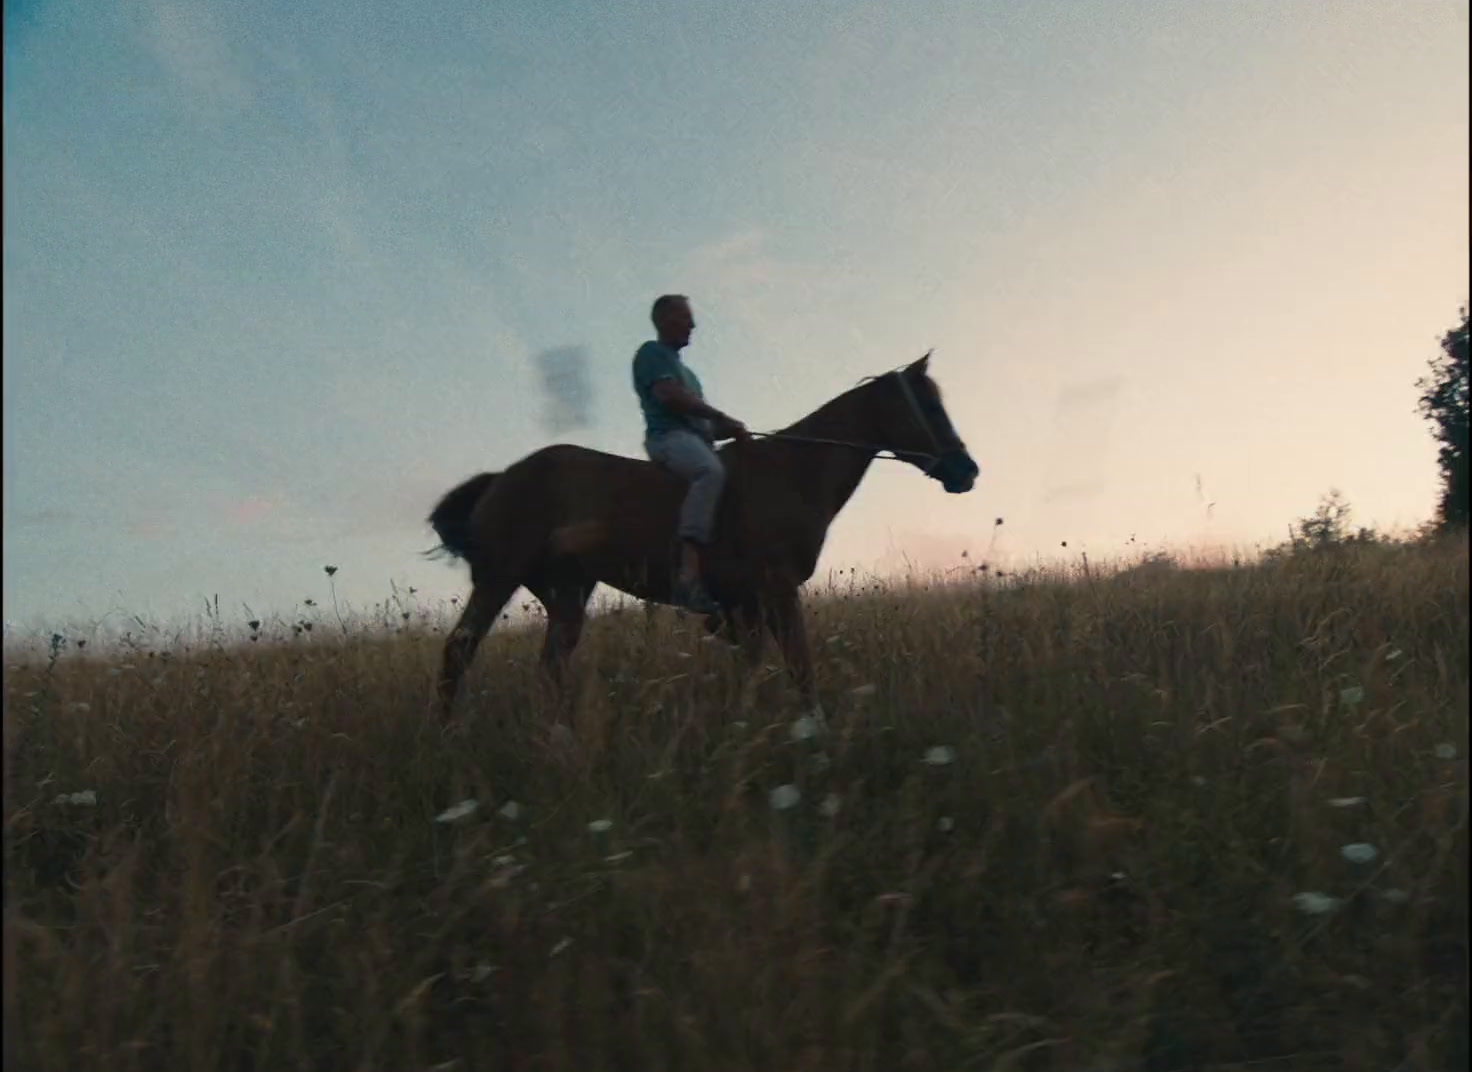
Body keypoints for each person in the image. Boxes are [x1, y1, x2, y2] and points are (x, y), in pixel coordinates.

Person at [632, 294, 750, 614]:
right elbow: (669, 397)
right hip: (668, 438)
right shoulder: (651, 354)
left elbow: (704, 425)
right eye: (685, 317)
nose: (692, 324)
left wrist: (732, 431)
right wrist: (719, 416)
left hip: (695, 440)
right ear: (664, 319)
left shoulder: (691, 376)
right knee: (709, 472)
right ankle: (688, 571)